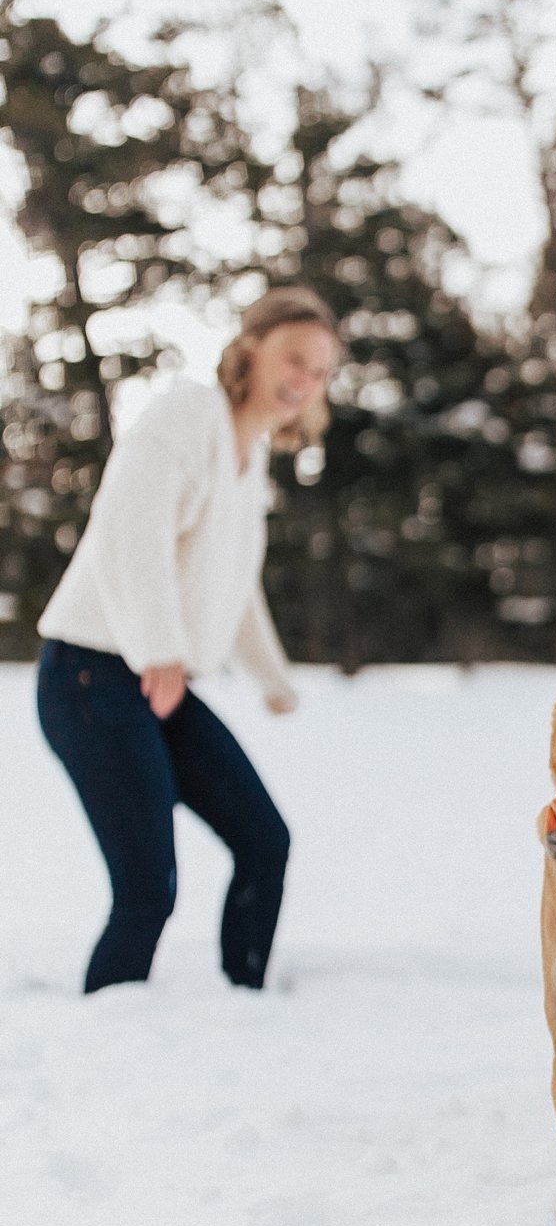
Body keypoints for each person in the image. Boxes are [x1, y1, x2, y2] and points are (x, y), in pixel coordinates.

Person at [36, 286, 341, 994]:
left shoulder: (250, 457)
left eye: (321, 371)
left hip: (153, 682)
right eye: (293, 358)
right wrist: (160, 649)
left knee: (264, 842)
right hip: (92, 677)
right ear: (249, 350)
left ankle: (247, 1002)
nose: (304, 380)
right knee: (147, 890)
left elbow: (234, 590)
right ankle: (109, 1037)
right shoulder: (188, 412)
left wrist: (274, 680)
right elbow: (128, 532)